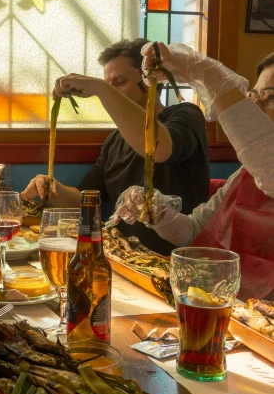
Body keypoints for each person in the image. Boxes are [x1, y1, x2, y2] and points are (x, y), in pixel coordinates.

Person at [112, 44, 274, 300]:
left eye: (271, 97)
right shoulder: (245, 174)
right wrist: (158, 211)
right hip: (229, 306)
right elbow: (194, 231)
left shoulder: (265, 169)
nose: (254, 106)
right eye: (252, 96)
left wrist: (206, 73)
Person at [22, 38, 210, 255]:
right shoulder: (114, 141)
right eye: (108, 85)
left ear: (153, 79)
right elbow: (83, 199)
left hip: (174, 261)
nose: (110, 94)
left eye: (120, 83)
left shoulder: (186, 115)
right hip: (123, 257)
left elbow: (157, 148)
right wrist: (49, 186)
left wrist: (101, 88)